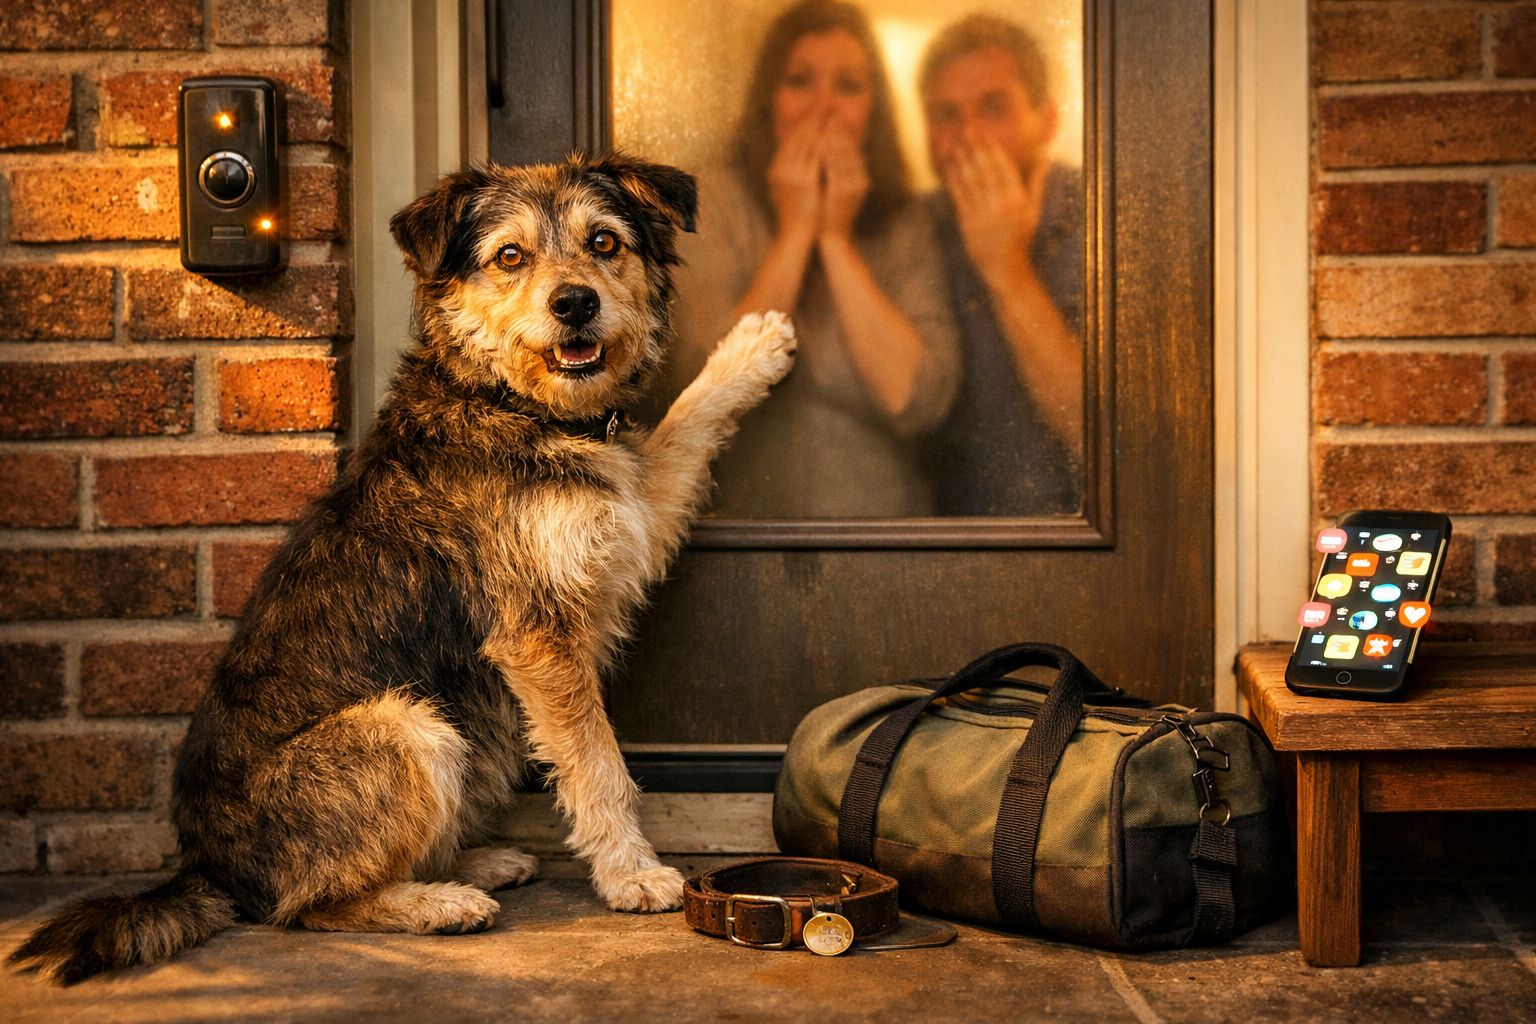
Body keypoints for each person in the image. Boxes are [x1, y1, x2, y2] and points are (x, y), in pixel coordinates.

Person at [666, 0, 958, 518]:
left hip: (890, 533)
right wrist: (796, 232)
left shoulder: (903, 223)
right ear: (769, 102)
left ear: (872, 113)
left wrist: (835, 239)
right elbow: (703, 389)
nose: (824, 108)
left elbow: (915, 400)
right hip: (739, 535)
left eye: (848, 86)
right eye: (800, 81)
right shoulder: (715, 203)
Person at [919, 13, 1083, 516]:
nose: (968, 135)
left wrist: (1007, 269)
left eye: (994, 108)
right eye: (946, 114)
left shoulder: (1105, 218)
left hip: (1087, 545)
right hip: (948, 544)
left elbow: (1106, 436)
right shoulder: (916, 228)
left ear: (1047, 121)